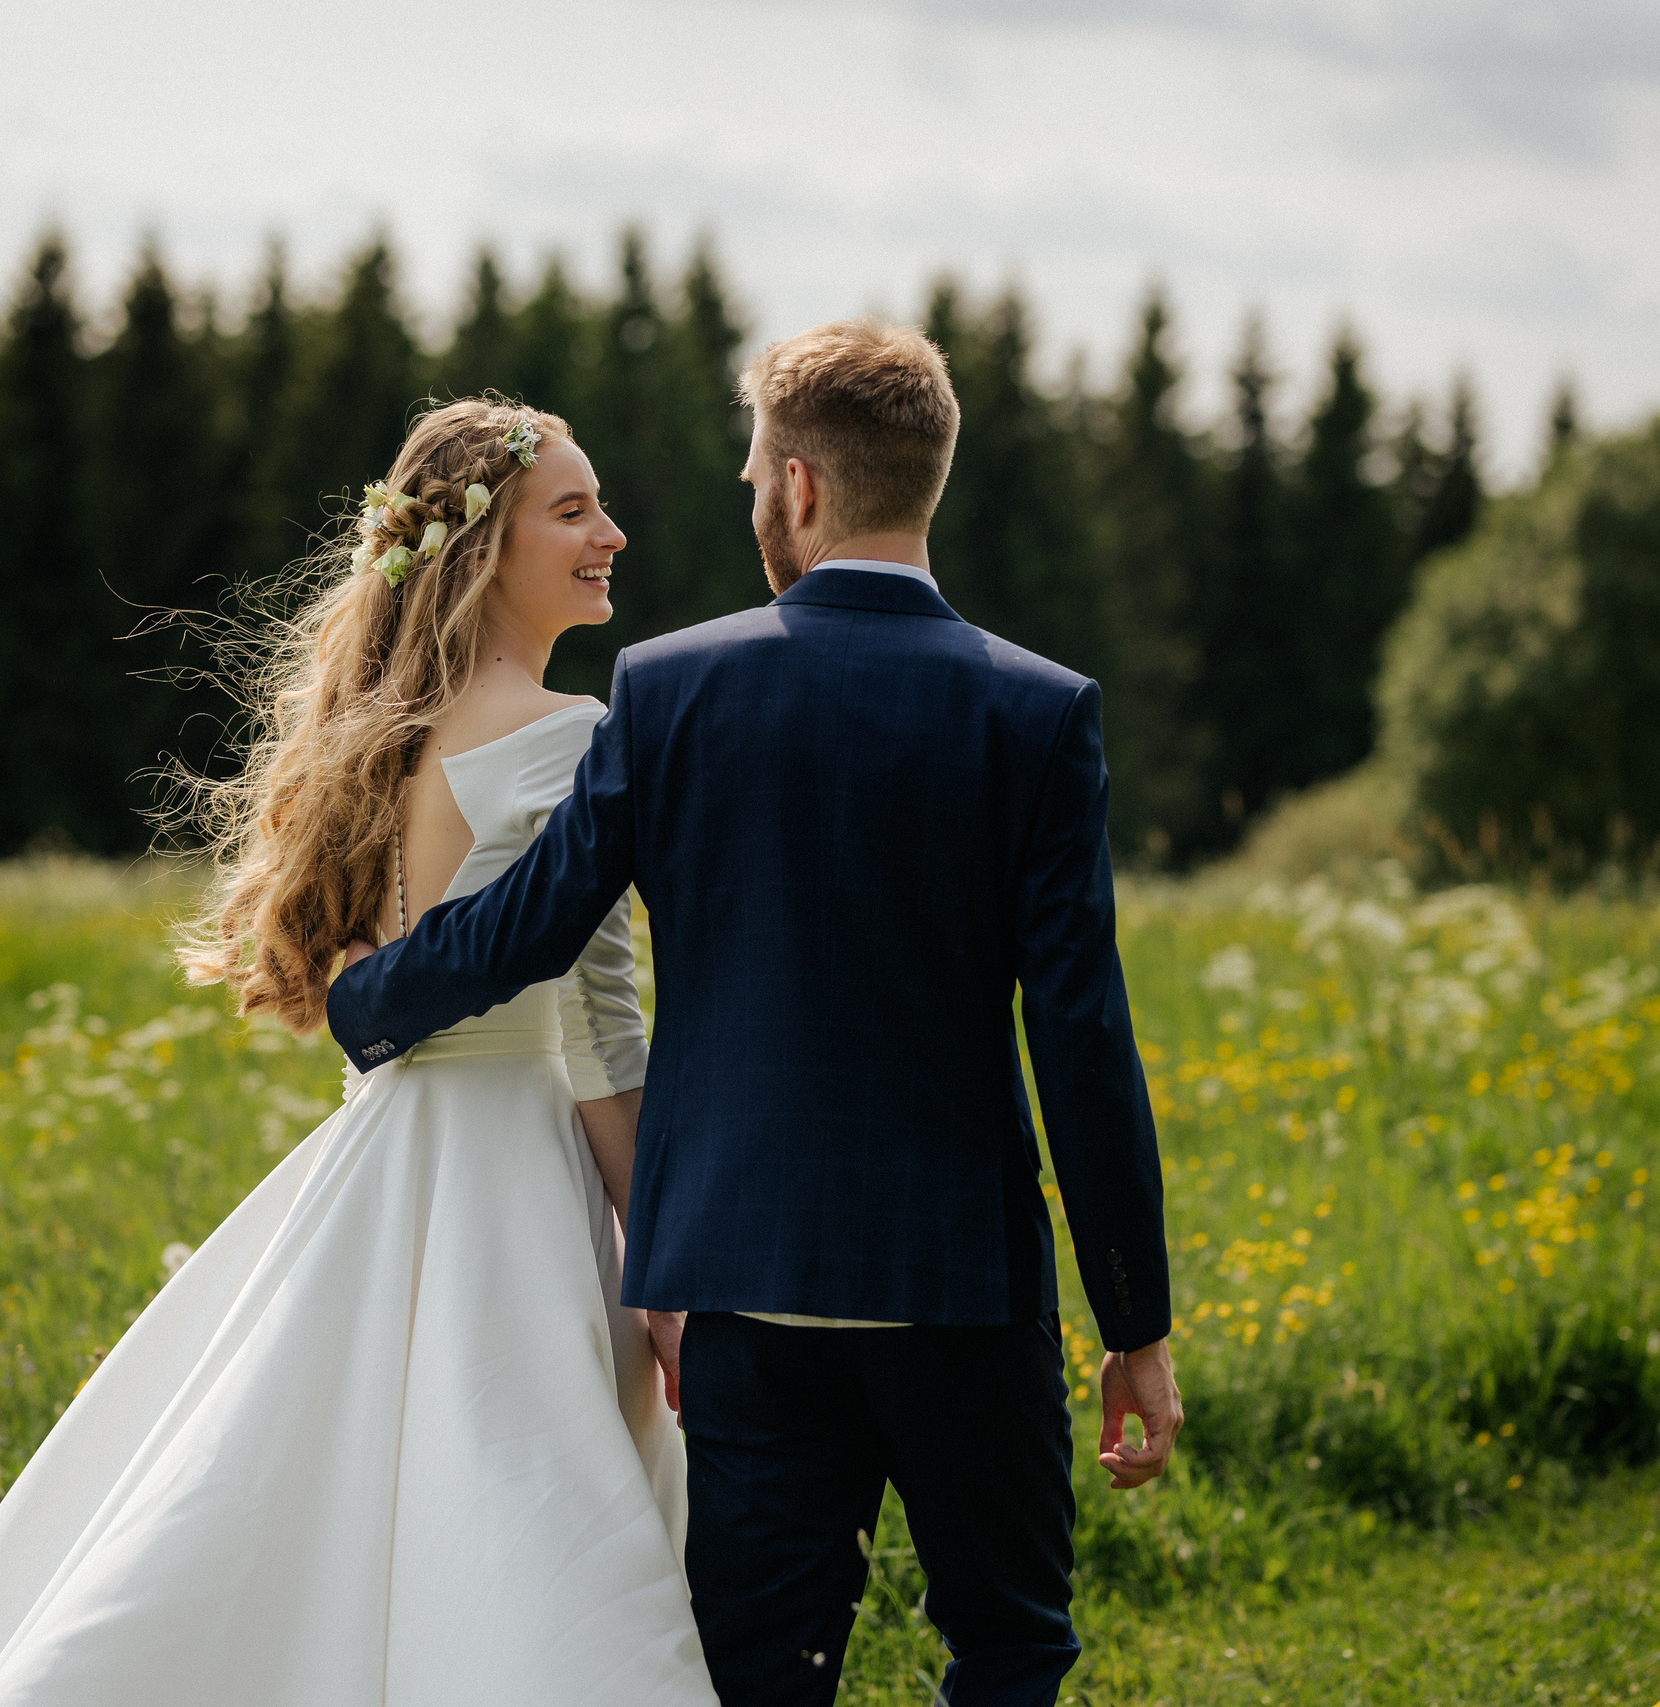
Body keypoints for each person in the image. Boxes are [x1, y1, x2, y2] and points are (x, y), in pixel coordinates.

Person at [329, 319, 1185, 1707]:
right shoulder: (1041, 713)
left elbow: (531, 925)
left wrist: (365, 1001)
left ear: (797, 486)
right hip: (963, 1289)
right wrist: (1133, 1328)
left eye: (749, 482)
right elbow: (1082, 1037)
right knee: (1010, 1650)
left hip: (745, 1284)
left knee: (763, 1673)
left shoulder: (669, 689)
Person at [0, 400, 720, 1707]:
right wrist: (661, 1268)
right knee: (521, 1509)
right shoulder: (567, 741)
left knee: (311, 1484)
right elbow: (605, 1034)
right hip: (516, 1188)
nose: (613, 533)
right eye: (574, 510)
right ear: (485, 545)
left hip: (374, 1156)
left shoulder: (376, 731)